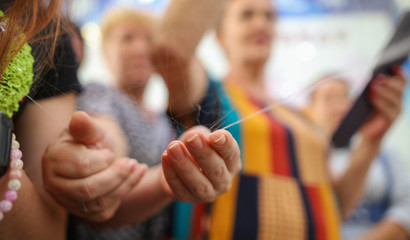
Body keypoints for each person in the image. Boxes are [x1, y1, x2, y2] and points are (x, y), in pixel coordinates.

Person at [151, 0, 407, 239]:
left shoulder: (305, 118)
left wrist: (372, 140)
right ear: (220, 36)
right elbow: (171, 49)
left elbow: (334, 204)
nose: (261, 23)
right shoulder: (210, 93)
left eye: (269, 17)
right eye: (247, 15)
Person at [0, 1, 241, 240]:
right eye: (127, 38)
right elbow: (106, 131)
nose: (140, 48)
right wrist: (101, 152)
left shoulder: (163, 118)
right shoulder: (98, 94)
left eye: (148, 40)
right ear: (106, 53)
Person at [307, 75, 410, 240]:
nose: (339, 107)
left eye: (345, 97)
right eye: (328, 99)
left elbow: (406, 204)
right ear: (309, 108)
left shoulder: (385, 152)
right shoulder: (302, 155)